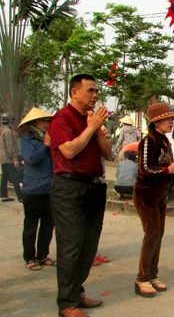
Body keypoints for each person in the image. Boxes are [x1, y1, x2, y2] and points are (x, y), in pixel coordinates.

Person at [48, 74, 113, 317]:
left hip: (94, 187)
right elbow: (70, 151)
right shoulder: (62, 118)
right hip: (69, 188)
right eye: (90, 90)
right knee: (71, 246)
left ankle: (77, 292)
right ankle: (66, 303)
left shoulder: (90, 119)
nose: (95, 95)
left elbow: (109, 154)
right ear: (74, 92)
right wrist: (92, 128)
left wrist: (97, 132)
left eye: (97, 91)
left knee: (88, 246)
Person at [133, 102, 174, 297]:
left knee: (158, 233)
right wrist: (167, 170)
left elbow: (167, 164)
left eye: (172, 119)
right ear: (156, 121)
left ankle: (152, 274)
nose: (172, 122)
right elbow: (144, 169)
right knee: (152, 234)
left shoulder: (164, 140)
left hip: (160, 194)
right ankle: (142, 277)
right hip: (146, 194)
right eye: (168, 119)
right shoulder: (148, 141)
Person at [17, 108, 56, 271]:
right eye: (43, 121)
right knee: (31, 225)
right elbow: (32, 159)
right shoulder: (27, 140)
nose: (47, 124)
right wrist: (46, 146)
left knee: (48, 225)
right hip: (33, 190)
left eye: (48, 121)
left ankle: (42, 255)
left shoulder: (51, 139)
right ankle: (30, 257)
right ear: (34, 124)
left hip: (50, 189)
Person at [1, 112, 23, 202]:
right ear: (9, 121)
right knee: (15, 178)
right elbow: (10, 146)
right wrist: (14, 158)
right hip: (8, 158)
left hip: (2, 159)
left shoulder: (1, 131)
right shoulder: (7, 132)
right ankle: (21, 197)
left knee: (4, 178)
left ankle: (3, 195)